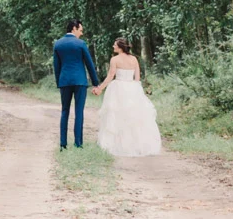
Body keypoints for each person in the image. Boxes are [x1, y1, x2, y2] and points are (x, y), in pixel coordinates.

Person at [92, 37, 163, 157]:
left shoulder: (115, 59)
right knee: (134, 117)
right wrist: (135, 89)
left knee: (118, 116)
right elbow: (137, 77)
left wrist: (100, 88)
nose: (113, 47)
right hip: (132, 88)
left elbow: (110, 76)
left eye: (115, 45)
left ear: (120, 47)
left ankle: (118, 144)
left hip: (118, 88)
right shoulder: (134, 59)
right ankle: (136, 145)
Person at [52, 19, 99, 149]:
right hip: (80, 81)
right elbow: (89, 64)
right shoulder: (80, 44)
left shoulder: (58, 44)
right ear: (74, 28)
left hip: (65, 81)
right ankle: (78, 143)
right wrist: (96, 83)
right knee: (79, 112)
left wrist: (59, 82)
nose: (81, 33)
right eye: (80, 30)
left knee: (64, 111)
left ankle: (63, 144)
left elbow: (56, 66)